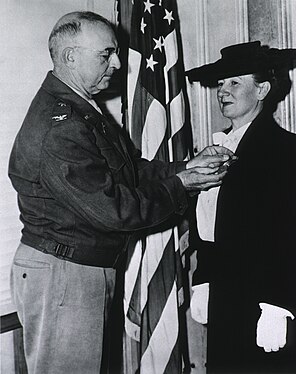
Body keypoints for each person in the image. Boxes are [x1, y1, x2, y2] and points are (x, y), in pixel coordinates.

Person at [8, 11, 234, 374]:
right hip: (64, 276)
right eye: (106, 55)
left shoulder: (82, 110)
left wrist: (187, 167)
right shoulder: (61, 127)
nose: (117, 64)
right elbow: (116, 210)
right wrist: (182, 186)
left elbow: (131, 171)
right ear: (70, 57)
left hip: (78, 269)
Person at [186, 41, 296, 374]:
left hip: (262, 298)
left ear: (262, 89)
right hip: (224, 294)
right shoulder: (217, 149)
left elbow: (289, 235)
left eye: (235, 82)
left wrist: (278, 304)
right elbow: (210, 226)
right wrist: (202, 280)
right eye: (221, 83)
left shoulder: (284, 150)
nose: (223, 91)